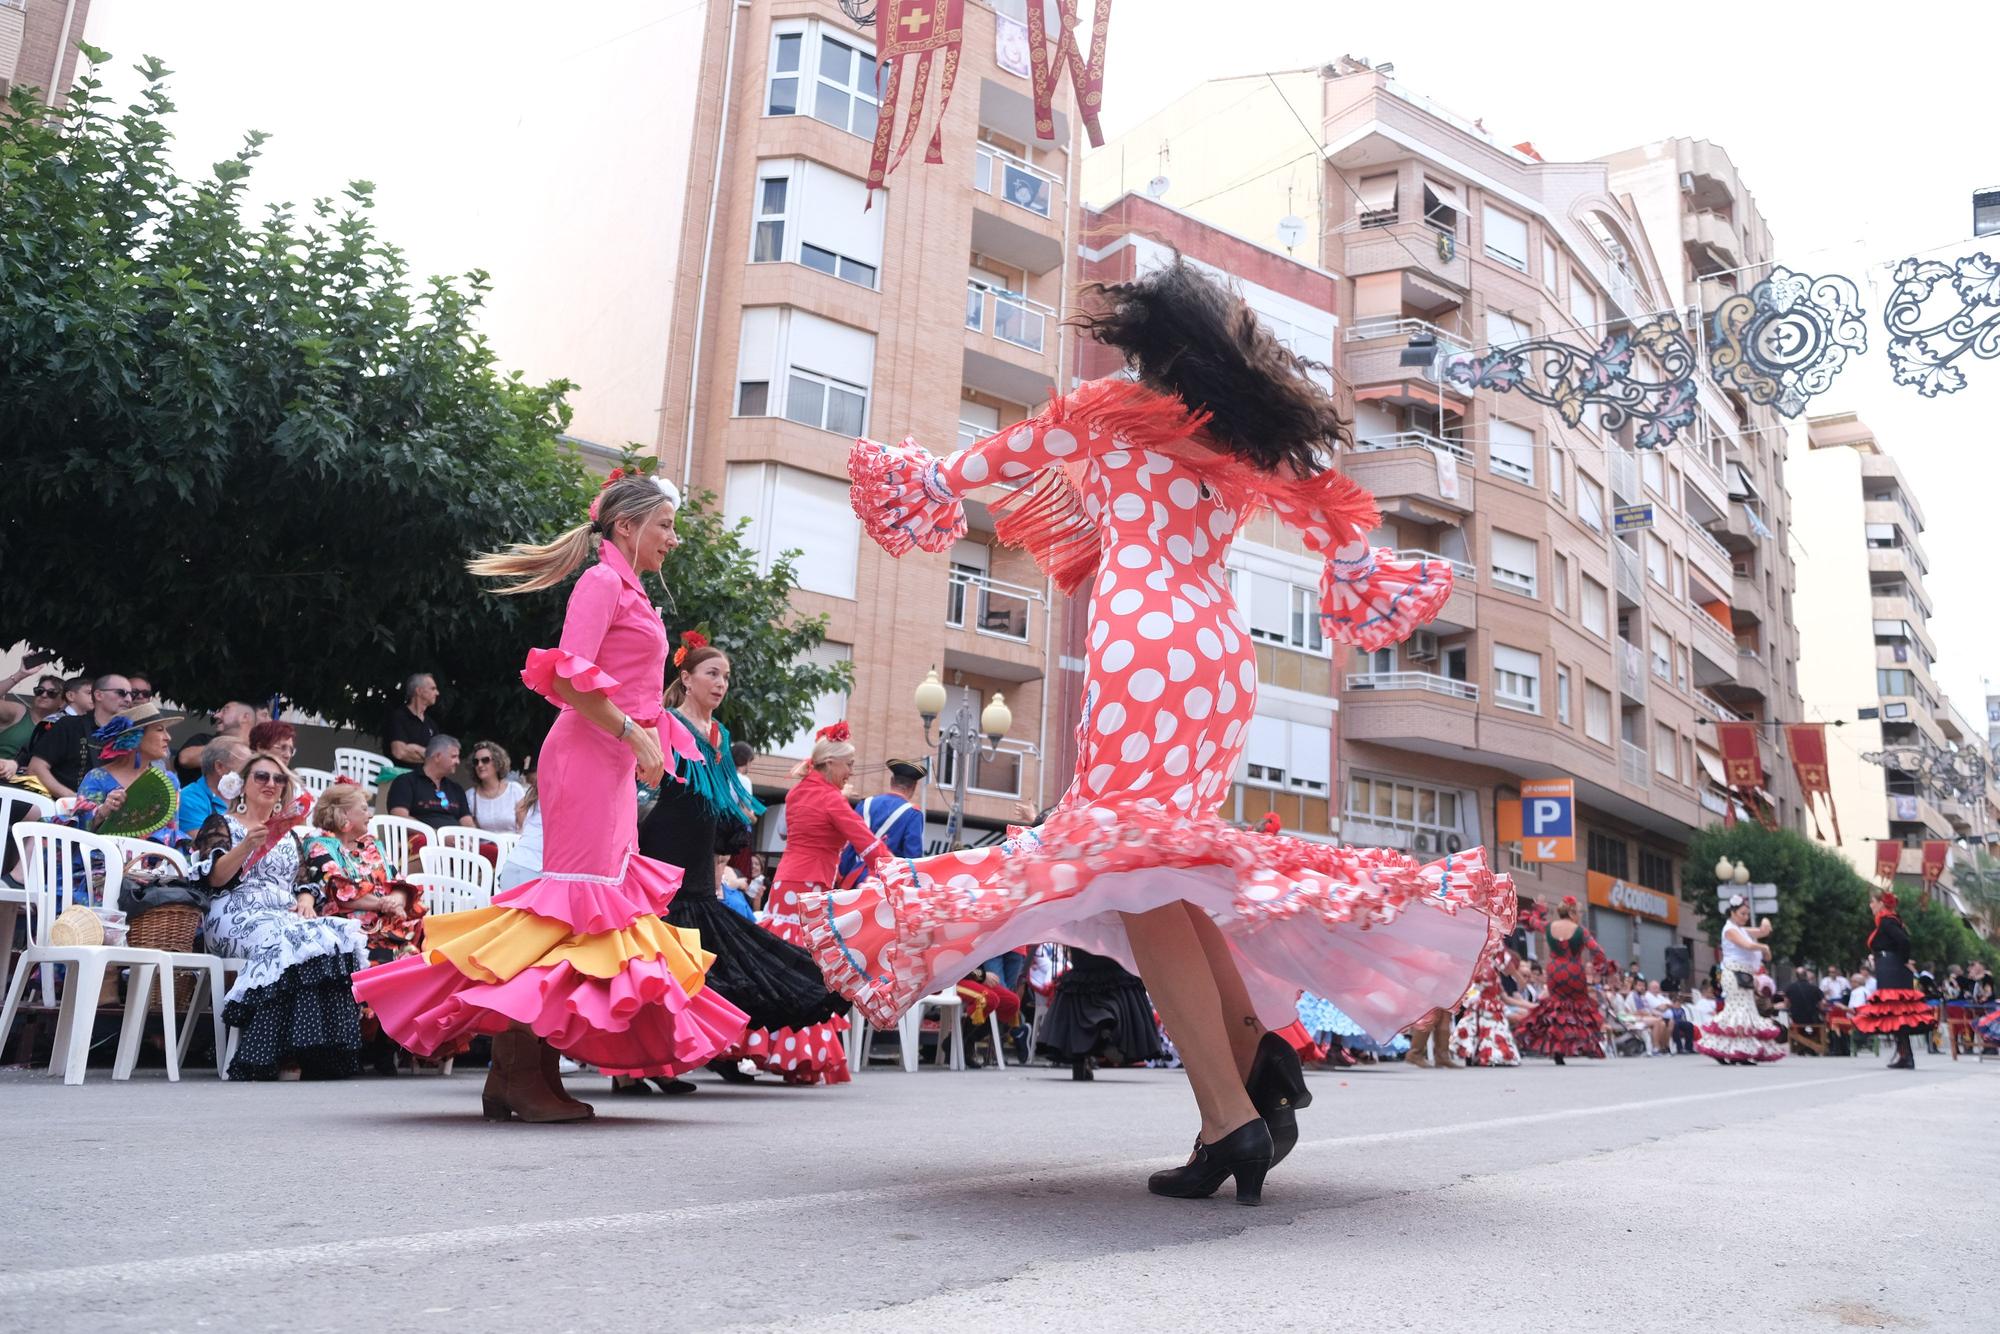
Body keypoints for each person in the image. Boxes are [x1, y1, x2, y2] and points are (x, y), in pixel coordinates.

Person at [811, 259, 1505, 1204]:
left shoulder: (1103, 405)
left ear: (1145, 339)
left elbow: (978, 469)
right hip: (1219, 653)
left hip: (1142, 636)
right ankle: (1250, 1061)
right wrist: (1355, 578)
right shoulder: (1243, 433)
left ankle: (1231, 1118)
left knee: (1136, 873)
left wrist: (920, 479)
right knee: (1165, 869)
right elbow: (1341, 521)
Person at [354, 469, 746, 1123]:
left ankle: (529, 1072)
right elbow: (569, 677)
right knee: (567, 911)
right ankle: (517, 1071)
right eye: (666, 526)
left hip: (610, 762)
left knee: (582, 916)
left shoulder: (630, 590)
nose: (673, 540)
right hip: (587, 757)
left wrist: (651, 746)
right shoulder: (601, 583)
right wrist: (635, 737)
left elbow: (631, 693)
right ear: (627, 526)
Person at [637, 636, 850, 1088]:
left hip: (698, 852)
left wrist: (722, 856)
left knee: (691, 957)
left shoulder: (720, 736)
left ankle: (662, 1058)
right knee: (657, 954)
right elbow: (643, 781)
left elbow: (727, 805)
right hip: (663, 841)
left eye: (726, 677)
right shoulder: (665, 722)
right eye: (712, 674)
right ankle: (643, 1064)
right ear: (686, 678)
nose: (721, 684)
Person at [193, 751, 367, 1080]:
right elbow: (213, 879)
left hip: (281, 911)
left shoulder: (288, 834)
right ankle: (271, 1052)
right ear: (241, 785)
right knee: (287, 939)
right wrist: (246, 846)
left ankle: (314, 1052)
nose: (271, 784)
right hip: (233, 909)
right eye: (261, 776)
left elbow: (305, 881)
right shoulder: (221, 824)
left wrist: (304, 899)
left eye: (278, 778)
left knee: (331, 937)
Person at [296, 780, 425, 1075]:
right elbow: (337, 891)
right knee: (378, 950)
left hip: (387, 921)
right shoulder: (319, 844)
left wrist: (395, 898)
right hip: (347, 924)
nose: (369, 815)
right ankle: (363, 1044)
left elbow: (398, 879)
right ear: (343, 816)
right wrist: (382, 904)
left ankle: (387, 1043)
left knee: (421, 948)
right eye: (364, 809)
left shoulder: (372, 844)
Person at [765, 722, 892, 949]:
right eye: (849, 765)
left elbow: (783, 832)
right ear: (831, 763)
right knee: (801, 959)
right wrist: (897, 872)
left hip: (783, 881)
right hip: (810, 882)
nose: (851, 772)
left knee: (777, 953)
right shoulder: (831, 799)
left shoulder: (797, 791)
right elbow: (866, 842)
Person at [1036, 947, 1168, 1079]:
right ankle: (1107, 1021)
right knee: (1113, 981)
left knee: (1081, 984)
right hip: (1108, 940)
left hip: (1081, 940)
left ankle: (1081, 1054)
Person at [1516, 897, 1614, 1065]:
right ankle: (1581, 1045)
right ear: (1572, 912)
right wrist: (1601, 968)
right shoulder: (1580, 931)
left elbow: (1532, 922)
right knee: (1578, 1008)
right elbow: (1598, 951)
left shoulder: (1549, 926)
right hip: (1574, 972)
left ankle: (1557, 1049)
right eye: (1579, 912)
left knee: (1556, 1007)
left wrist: (1540, 909)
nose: (1580, 916)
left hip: (1554, 971)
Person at [66, 703, 184, 840]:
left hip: (154, 857)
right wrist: (103, 811)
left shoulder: (169, 781)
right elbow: (79, 833)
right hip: (106, 857)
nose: (168, 737)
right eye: (159, 730)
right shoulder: (98, 778)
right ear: (135, 737)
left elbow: (171, 830)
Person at [1696, 895, 1785, 1064]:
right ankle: (1736, 1050)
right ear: (1733, 913)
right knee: (1740, 1010)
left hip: (1744, 974)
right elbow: (1748, 945)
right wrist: (1763, 947)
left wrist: (1766, 920)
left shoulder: (1741, 929)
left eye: (1747, 914)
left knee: (1743, 1010)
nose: (1745, 917)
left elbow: (1763, 931)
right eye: (1742, 913)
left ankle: (1732, 1050)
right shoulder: (1730, 929)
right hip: (1733, 973)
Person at [1852, 890, 1930, 1070]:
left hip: (1893, 969)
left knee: (1897, 1012)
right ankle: (1904, 1054)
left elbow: (1904, 942)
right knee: (1896, 1013)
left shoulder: (1887, 921)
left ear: (1881, 903)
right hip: (1889, 967)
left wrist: (1903, 961)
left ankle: (1906, 1055)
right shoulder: (1887, 921)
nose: (1870, 905)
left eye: (1872, 901)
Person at [27, 672, 131, 799]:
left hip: (110, 813)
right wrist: (73, 799)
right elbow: (36, 768)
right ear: (98, 695)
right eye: (121, 693)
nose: (128, 699)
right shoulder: (69, 725)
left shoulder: (129, 736)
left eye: (132, 694)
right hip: (63, 810)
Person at [836, 758, 928, 884]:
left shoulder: (865, 804)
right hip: (884, 883)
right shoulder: (913, 814)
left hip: (854, 878)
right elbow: (912, 857)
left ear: (892, 781)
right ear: (913, 787)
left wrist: (843, 877)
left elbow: (849, 844)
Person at [1449, 949, 1522, 1067]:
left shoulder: (1491, 966)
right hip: (1481, 1001)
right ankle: (1477, 1054)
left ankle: (1482, 1054)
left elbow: (1501, 986)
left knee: (1484, 1028)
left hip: (1489, 1003)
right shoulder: (1481, 965)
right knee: (1475, 1027)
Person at [386, 734, 475, 829]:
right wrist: (437, 835)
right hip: (421, 840)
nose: (458, 762)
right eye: (454, 757)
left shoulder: (456, 789)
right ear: (437, 757)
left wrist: (469, 840)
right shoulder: (405, 782)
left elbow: (468, 824)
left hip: (455, 841)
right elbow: (400, 818)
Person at [178, 736, 250, 837]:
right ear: (219, 767)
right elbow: (203, 846)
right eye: (245, 767)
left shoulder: (247, 796)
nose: (251, 773)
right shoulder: (190, 798)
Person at [175, 701, 254, 786]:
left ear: (245, 717)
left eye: (225, 711)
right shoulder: (203, 740)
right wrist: (232, 744)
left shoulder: (260, 749)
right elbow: (185, 759)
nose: (216, 716)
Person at [0, 654, 62, 762]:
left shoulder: (64, 726)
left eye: (52, 693)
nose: (43, 695)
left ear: (62, 702)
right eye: (40, 690)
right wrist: (20, 674)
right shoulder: (19, 712)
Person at [466, 740, 527, 834]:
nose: (480, 765)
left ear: (497, 762)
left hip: (511, 846)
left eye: (485, 760)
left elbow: (524, 827)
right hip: (484, 847)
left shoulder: (514, 790)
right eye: (476, 761)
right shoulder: (470, 796)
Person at [382, 673, 441, 768]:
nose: (437, 693)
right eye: (433, 689)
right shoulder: (399, 717)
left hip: (423, 780)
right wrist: (428, 754)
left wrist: (415, 749)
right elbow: (399, 752)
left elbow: (438, 758)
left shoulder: (431, 725)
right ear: (419, 691)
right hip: (399, 778)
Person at [1784, 967, 1825, 1036]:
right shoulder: (1815, 988)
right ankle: (1816, 1040)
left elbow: (1787, 1005)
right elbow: (1821, 1006)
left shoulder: (1789, 988)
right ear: (1806, 975)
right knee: (1820, 1023)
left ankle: (1800, 1041)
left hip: (1797, 1019)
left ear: (1796, 976)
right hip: (1812, 1019)